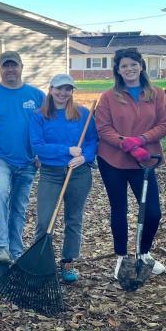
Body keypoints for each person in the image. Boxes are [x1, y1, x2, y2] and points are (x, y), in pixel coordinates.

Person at [95, 49, 166, 279]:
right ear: (117, 70)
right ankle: (121, 257)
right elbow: (103, 127)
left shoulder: (157, 94)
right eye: (124, 66)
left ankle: (144, 253)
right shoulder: (109, 97)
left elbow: (165, 123)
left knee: (153, 212)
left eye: (133, 64)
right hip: (112, 160)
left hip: (144, 160)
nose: (129, 69)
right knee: (119, 209)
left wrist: (141, 140)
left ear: (141, 65)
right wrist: (125, 143)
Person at [0, 51, 44, 263]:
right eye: (6, 66)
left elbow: (47, 126)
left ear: (22, 67)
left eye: (14, 65)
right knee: (0, 196)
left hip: (29, 160)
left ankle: (15, 250)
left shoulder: (36, 95)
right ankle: (1, 247)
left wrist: (41, 152)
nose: (10, 69)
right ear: (0, 69)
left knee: (19, 206)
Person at [29, 74, 98, 283]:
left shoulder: (83, 114)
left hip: (79, 174)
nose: (63, 93)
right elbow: (38, 146)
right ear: (50, 90)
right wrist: (67, 150)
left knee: (74, 219)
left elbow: (93, 140)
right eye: (59, 88)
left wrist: (85, 157)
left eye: (68, 89)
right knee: (44, 220)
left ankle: (68, 261)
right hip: (51, 174)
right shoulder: (38, 116)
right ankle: (41, 262)